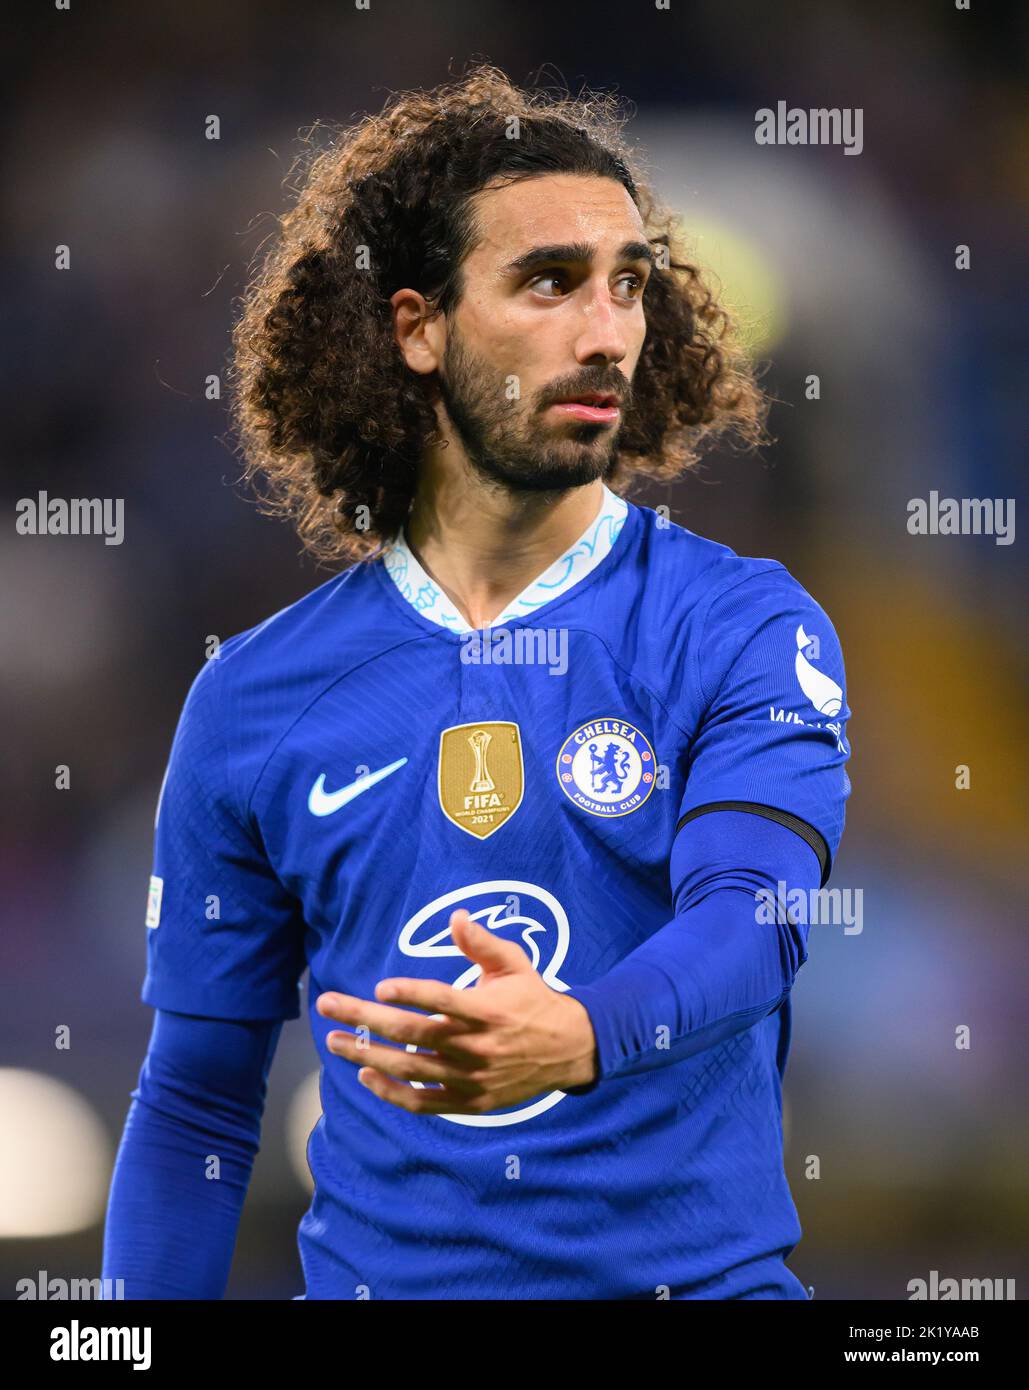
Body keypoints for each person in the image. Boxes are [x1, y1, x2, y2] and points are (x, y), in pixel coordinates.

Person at [102, 63, 851, 1300]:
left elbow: (755, 921)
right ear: (418, 327)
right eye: (549, 282)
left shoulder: (743, 624)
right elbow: (193, 1105)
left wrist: (582, 1035)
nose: (606, 332)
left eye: (630, 285)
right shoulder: (253, 699)